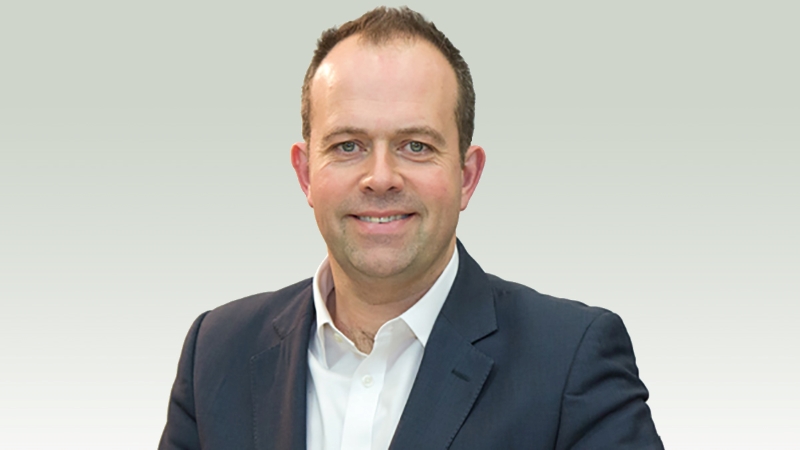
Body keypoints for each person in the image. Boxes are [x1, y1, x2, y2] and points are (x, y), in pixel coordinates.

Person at [159, 6, 663, 450]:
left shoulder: (570, 360)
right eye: (348, 146)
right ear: (306, 174)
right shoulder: (216, 353)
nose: (380, 177)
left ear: (467, 177)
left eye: (415, 146)